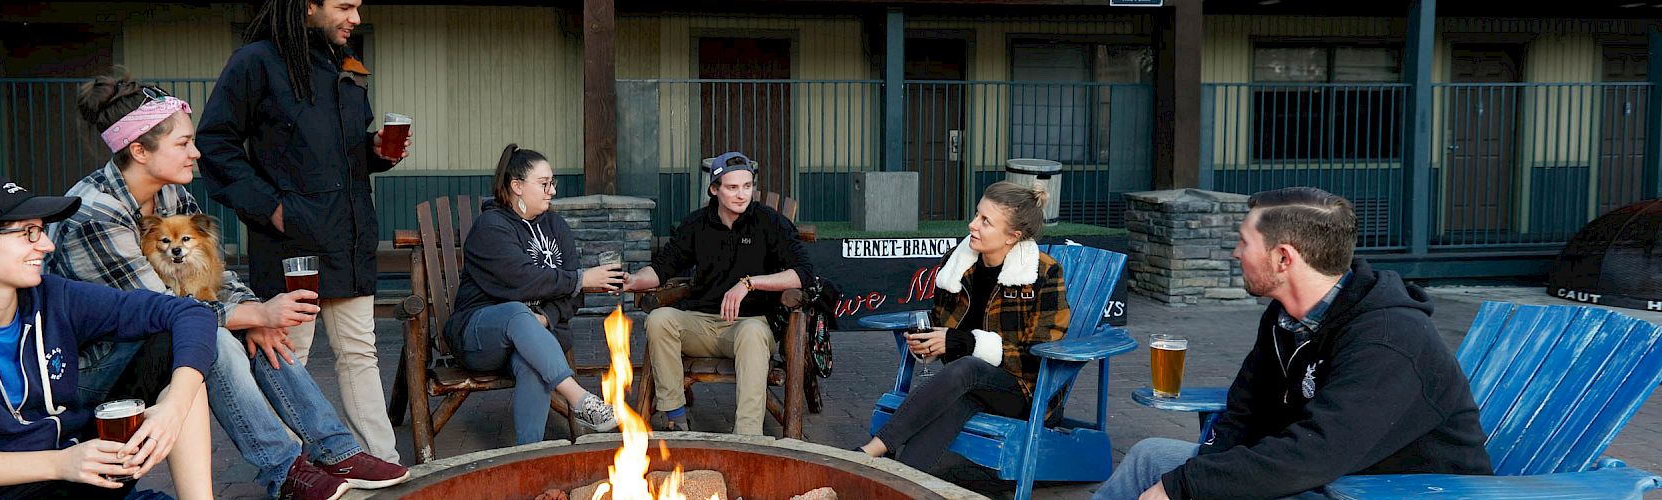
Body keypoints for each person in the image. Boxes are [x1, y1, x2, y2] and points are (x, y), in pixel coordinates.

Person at [50, 69, 407, 499]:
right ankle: (283, 471)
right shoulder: (95, 214)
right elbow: (159, 310)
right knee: (211, 336)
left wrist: (256, 314)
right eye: (183, 144)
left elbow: (213, 277)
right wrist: (252, 313)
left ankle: (336, 450)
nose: (197, 153)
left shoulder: (170, 195)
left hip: (154, 338)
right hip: (87, 371)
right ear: (140, 150)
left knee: (262, 333)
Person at [1092, 187, 1493, 500]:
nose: (1235, 254)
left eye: (1244, 242)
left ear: (1283, 258)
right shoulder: (1286, 317)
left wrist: (1193, 486)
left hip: (1387, 489)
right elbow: (1243, 411)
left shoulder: (1389, 339)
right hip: (1319, 478)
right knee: (1152, 457)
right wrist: (1202, 479)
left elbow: (1319, 451)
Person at [0, 174, 216, 498]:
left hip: (78, 478)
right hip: (3, 490)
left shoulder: (52, 296)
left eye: (42, 230)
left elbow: (189, 313)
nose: (46, 245)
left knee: (176, 352)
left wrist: (174, 406)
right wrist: (59, 463)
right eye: (27, 233)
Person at [198, 0, 407, 463]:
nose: (355, 18)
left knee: (359, 352)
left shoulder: (346, 65)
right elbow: (214, 143)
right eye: (345, 6)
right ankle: (294, 472)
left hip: (349, 236)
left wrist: (375, 152)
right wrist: (271, 209)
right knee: (289, 357)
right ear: (308, 5)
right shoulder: (255, 61)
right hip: (291, 244)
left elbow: (345, 151)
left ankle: (385, 463)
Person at [855, 181, 1072, 472]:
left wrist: (964, 343)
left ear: (1012, 236)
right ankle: (899, 480)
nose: (972, 225)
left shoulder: (1042, 274)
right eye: (976, 215)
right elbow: (944, 327)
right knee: (959, 401)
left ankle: (870, 451)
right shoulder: (959, 266)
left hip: (1024, 393)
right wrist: (929, 344)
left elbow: (1037, 355)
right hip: (967, 386)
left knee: (968, 367)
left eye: (986, 221)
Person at [620, 151, 815, 435]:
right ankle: (675, 419)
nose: (741, 195)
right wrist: (633, 280)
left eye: (747, 187)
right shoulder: (696, 225)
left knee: (750, 334)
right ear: (714, 189)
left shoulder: (769, 222)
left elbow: (803, 273)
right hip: (702, 323)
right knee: (660, 319)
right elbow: (663, 268)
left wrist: (749, 283)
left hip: (751, 325)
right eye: (732, 187)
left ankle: (747, 436)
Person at [444, 145, 623, 444]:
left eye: (553, 183)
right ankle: (579, 400)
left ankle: (530, 454)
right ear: (516, 186)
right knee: (516, 311)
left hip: (532, 340)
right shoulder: (491, 227)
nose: (552, 190)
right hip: (481, 336)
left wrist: (545, 317)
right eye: (544, 184)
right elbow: (522, 281)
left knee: (532, 362)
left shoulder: (555, 225)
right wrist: (580, 279)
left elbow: (574, 294)